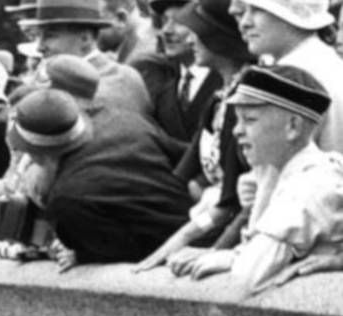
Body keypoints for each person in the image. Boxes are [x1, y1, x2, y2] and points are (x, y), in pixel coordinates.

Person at [167, 65, 343, 289]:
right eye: (237, 120)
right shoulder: (287, 173)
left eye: (249, 120)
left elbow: (249, 274)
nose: (236, 131)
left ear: (293, 126)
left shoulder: (309, 187)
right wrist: (229, 256)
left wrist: (229, 259)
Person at [9, 88, 191, 269]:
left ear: (35, 155)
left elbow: (124, 251)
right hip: (202, 222)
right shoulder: (122, 118)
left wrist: (84, 252)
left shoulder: (67, 197)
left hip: (180, 255)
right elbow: (186, 157)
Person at [137, 0, 254, 271]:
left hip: (230, 228)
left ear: (220, 38)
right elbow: (179, 177)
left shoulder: (245, 98)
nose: (191, 39)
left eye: (197, 31)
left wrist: (207, 249)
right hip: (202, 217)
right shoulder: (217, 99)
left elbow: (230, 205)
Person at [231, 0, 343, 152]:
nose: (245, 22)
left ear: (292, 13)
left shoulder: (296, 77)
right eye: (246, 10)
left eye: (258, 10)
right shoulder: (321, 60)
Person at [18, 0, 154, 115]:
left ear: (85, 39)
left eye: (50, 36)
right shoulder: (129, 75)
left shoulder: (99, 89)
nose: (39, 47)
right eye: (38, 36)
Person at [130, 0, 224, 143]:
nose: (166, 30)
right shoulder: (159, 81)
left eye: (179, 22)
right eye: (164, 21)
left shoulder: (225, 81)